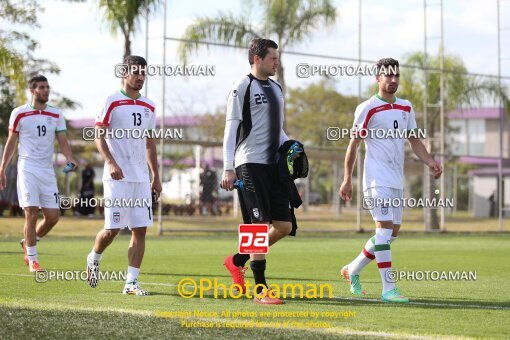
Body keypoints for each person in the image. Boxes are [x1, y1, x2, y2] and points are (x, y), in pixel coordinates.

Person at [338, 58, 443, 303]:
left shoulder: (406, 107)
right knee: (383, 231)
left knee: (391, 234)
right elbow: (353, 144)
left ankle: (352, 269)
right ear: (378, 78)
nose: (393, 80)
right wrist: (347, 179)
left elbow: (414, 139)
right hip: (376, 180)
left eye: (397, 76)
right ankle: (388, 289)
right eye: (388, 76)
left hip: (396, 180)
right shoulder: (367, 107)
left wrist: (430, 161)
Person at [221, 38, 301, 305]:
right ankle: (260, 290)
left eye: (277, 58)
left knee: (284, 226)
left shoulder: (277, 89)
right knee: (257, 225)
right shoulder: (241, 87)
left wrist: (292, 147)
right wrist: (228, 167)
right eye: (272, 58)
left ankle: (237, 260)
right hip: (249, 163)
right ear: (257, 59)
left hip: (273, 166)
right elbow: (231, 129)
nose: (277, 62)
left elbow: (276, 129)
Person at [86, 55, 161, 296]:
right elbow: (98, 135)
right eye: (136, 72)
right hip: (116, 177)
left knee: (140, 230)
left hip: (140, 179)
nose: (140, 77)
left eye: (143, 73)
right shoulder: (112, 101)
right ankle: (94, 257)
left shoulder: (149, 106)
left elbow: (150, 143)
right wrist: (110, 162)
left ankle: (131, 283)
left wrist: (156, 175)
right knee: (112, 230)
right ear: (124, 73)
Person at [0, 75, 77, 272]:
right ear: (32, 90)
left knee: (53, 217)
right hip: (27, 169)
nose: (45, 90)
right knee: (31, 213)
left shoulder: (56, 114)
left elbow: (63, 140)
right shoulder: (19, 113)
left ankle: (27, 242)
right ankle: (33, 260)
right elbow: (11, 143)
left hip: (47, 171)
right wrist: (2, 168)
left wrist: (70, 157)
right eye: (41, 87)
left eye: (47, 87)